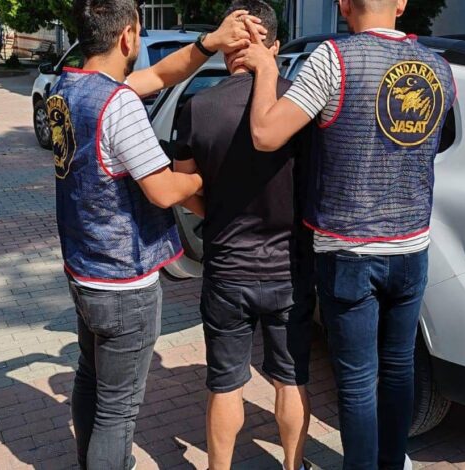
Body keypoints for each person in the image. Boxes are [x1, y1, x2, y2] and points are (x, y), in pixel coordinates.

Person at [234, 0, 456, 468]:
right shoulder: (439, 68)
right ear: (401, 3)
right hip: (411, 246)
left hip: (348, 249)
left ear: (343, 5)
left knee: (357, 382)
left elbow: (266, 134)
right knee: (398, 370)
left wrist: (267, 69)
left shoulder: (333, 58)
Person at [47, 1, 265, 468]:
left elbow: (162, 75)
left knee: (90, 379)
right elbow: (164, 190)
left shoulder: (69, 86)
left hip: (84, 271)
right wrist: (209, 174)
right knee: (117, 411)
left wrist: (210, 42)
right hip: (124, 282)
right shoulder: (119, 103)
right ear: (128, 37)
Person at [172, 1, 315, 469]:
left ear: (226, 47)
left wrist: (215, 209)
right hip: (289, 269)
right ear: (274, 47)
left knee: (225, 384)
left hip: (226, 269)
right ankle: (293, 465)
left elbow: (183, 188)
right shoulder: (301, 105)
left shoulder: (198, 108)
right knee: (290, 379)